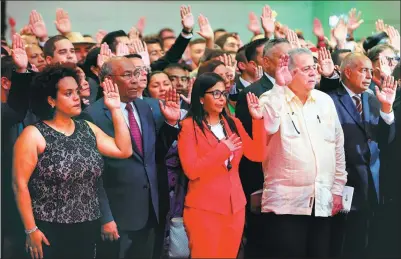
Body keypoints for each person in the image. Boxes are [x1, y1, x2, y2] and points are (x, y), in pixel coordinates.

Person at [12, 64, 133, 259]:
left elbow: (124, 150)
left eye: (76, 91)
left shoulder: (87, 128)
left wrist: (115, 109)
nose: (76, 97)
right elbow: (19, 185)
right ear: (51, 100)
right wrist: (30, 229)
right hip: (49, 229)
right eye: (68, 93)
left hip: (88, 227)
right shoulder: (33, 134)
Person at [81, 57, 181, 259]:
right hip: (118, 214)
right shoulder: (92, 115)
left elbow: (154, 156)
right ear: (108, 80)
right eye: (128, 75)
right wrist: (105, 217)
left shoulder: (145, 107)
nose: (136, 80)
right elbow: (93, 175)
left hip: (150, 208)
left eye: (137, 73)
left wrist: (171, 125)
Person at [258, 49, 347, 258]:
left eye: (314, 68)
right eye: (306, 69)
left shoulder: (324, 101)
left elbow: (337, 146)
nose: (313, 73)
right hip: (287, 203)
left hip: (322, 197)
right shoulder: (271, 98)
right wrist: (279, 86)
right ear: (288, 73)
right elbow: (268, 127)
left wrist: (337, 188)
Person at [177, 72, 266, 258]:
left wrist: (257, 120)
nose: (221, 98)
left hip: (235, 206)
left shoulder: (232, 122)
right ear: (201, 98)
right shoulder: (188, 126)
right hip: (204, 208)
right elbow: (192, 170)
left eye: (223, 93)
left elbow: (257, 154)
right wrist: (222, 150)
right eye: (215, 93)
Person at [323, 52, 397, 258]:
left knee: (368, 243)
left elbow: (385, 139)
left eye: (370, 72)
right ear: (347, 71)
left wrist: (387, 107)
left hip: (372, 183)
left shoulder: (373, 99)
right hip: (343, 183)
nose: (368, 76)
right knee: (343, 243)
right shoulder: (329, 99)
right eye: (363, 70)